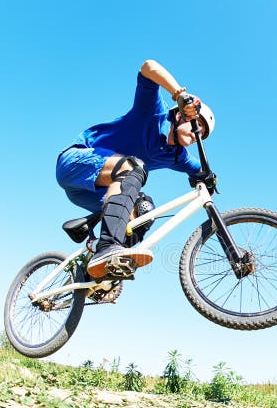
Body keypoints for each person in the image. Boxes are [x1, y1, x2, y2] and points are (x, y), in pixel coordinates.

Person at [55, 59, 215, 279]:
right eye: (195, 127)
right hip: (75, 163)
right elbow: (148, 67)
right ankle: (108, 246)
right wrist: (179, 94)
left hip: (95, 194)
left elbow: (200, 170)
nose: (195, 136)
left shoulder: (177, 156)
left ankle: (98, 271)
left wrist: (209, 179)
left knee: (145, 210)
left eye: (201, 136)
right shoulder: (152, 113)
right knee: (132, 167)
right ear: (180, 116)